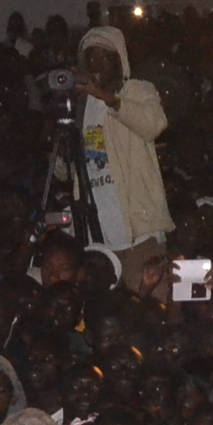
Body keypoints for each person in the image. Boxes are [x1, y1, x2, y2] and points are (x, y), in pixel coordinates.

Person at [70, 25, 172, 265]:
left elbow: (154, 125)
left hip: (139, 231)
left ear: (119, 60)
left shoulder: (137, 90)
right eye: (91, 58)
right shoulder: (80, 105)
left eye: (103, 57)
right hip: (98, 235)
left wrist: (109, 100)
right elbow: (70, 167)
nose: (96, 64)